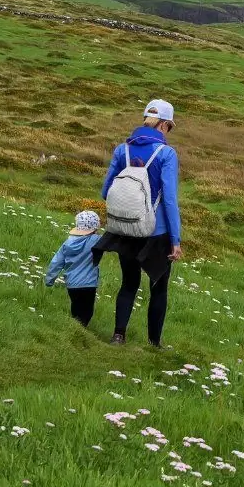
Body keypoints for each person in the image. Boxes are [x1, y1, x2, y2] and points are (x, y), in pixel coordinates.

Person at [94, 98, 183, 347]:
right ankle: (154, 343)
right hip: (158, 233)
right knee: (159, 288)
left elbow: (105, 192)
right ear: (164, 125)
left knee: (128, 283)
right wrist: (175, 240)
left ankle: (118, 335)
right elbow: (170, 201)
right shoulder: (166, 154)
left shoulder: (122, 150)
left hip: (126, 228)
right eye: (170, 127)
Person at [43, 210, 102, 326]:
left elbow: (56, 262)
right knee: (87, 310)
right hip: (89, 284)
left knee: (76, 307)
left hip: (72, 283)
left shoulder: (68, 243)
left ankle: (75, 327)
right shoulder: (95, 241)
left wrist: (49, 280)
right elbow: (108, 240)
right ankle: (82, 330)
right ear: (95, 227)